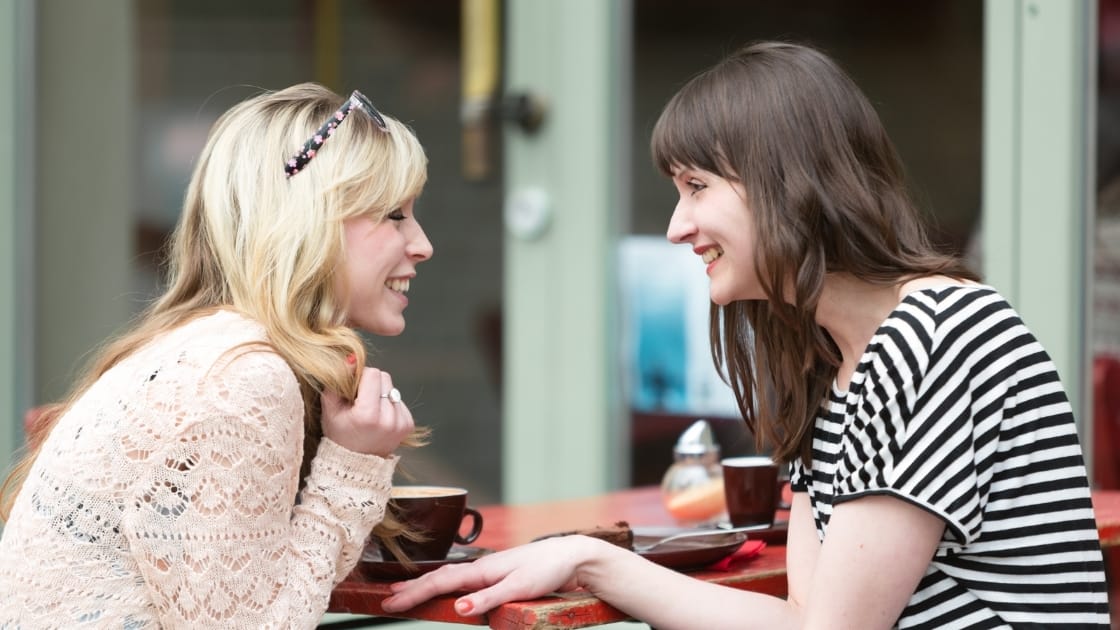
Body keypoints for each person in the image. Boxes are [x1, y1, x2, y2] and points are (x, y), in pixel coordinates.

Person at [382, 41, 1111, 628]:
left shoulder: (935, 336)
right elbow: (805, 616)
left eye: (697, 187)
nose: (676, 227)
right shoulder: (834, 365)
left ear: (788, 181)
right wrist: (586, 559)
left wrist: (592, 563)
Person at [0, 83, 434, 627]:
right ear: (305, 221)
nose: (422, 243)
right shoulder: (241, 378)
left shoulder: (211, 349)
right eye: (394, 214)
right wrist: (352, 465)